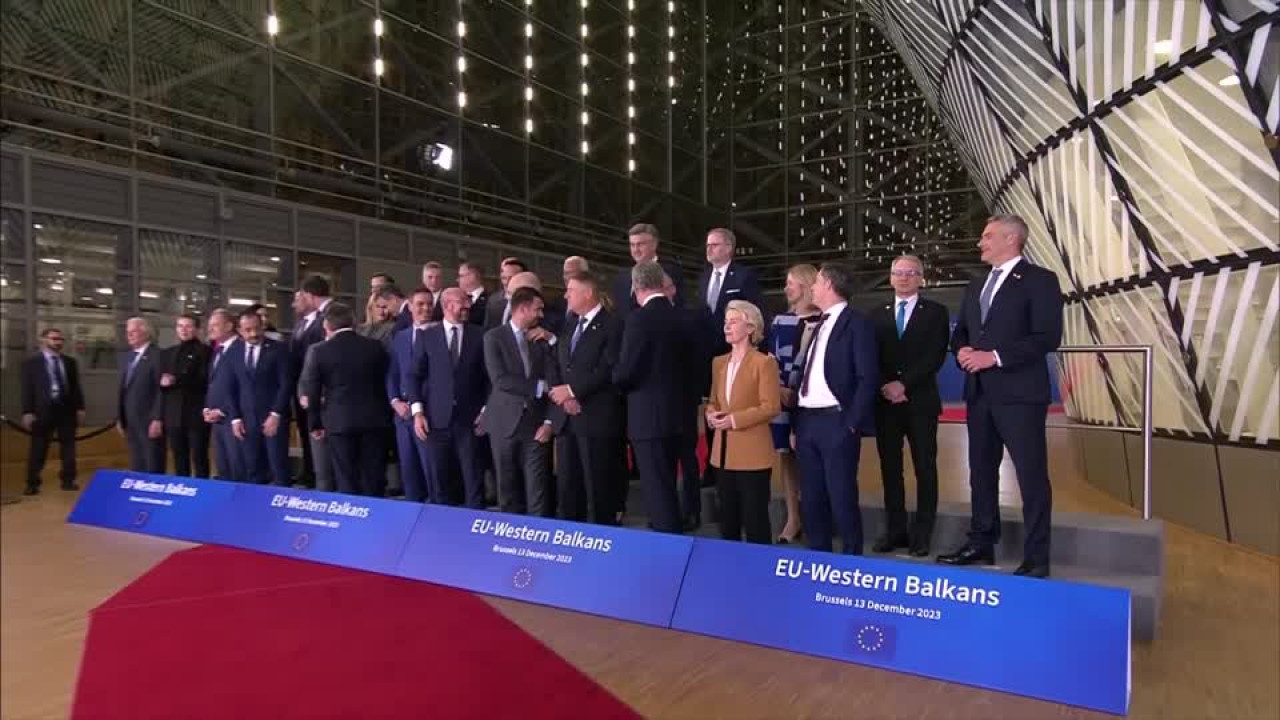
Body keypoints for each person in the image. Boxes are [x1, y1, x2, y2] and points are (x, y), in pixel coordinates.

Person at [939, 214, 1063, 578]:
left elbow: (1046, 337)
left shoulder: (1040, 281)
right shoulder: (975, 285)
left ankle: (1037, 558)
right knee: (980, 472)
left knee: (1031, 476)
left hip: (1021, 395)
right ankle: (981, 542)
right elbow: (961, 331)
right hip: (978, 394)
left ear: (1011, 239)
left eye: (987, 236)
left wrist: (991, 357)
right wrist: (961, 351)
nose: (981, 243)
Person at [793, 263, 878, 555]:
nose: (812, 288)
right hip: (807, 422)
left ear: (828, 284)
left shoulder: (857, 323)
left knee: (841, 495)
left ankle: (852, 560)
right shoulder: (819, 323)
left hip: (837, 422)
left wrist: (851, 423)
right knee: (812, 497)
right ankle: (818, 556)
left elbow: (868, 377)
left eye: (816, 282)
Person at [870, 255, 950, 557]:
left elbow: (935, 355)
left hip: (921, 402)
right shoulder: (876, 314)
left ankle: (922, 534)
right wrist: (886, 385)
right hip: (885, 404)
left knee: (925, 468)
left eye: (910, 273)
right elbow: (870, 356)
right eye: (898, 273)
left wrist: (904, 385)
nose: (903, 278)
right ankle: (895, 530)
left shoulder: (937, 312)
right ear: (890, 277)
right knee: (890, 469)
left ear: (921, 278)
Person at [613, 261, 685, 533]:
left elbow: (628, 369)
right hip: (678, 413)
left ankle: (667, 545)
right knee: (668, 480)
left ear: (637, 286)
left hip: (647, 416)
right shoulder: (683, 316)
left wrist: (615, 378)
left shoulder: (639, 319)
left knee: (656, 487)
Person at [547, 271, 625, 524]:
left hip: (595, 417)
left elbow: (609, 368)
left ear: (587, 293)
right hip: (567, 418)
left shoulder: (613, 324)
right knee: (569, 485)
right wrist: (562, 394)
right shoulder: (569, 322)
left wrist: (573, 391)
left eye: (570, 290)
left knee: (598, 486)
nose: (565, 295)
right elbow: (557, 360)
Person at [705, 300, 781, 544]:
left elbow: (771, 406)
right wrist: (710, 413)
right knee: (727, 520)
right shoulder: (718, 363)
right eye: (726, 322)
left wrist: (734, 420)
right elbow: (714, 400)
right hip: (722, 453)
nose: (727, 326)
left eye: (734, 321)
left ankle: (760, 573)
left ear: (750, 328)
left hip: (752, 455)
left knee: (755, 520)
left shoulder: (764, 362)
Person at [407, 288, 490, 507]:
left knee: (473, 479)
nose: (468, 306)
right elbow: (414, 376)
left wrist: (486, 411)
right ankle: (442, 529)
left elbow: (489, 379)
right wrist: (417, 413)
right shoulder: (427, 336)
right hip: (435, 421)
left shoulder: (480, 335)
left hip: (470, 421)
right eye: (463, 301)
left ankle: (474, 527)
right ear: (447, 305)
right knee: (439, 481)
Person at [483, 287, 556, 516]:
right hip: (504, 424)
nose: (541, 315)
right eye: (538, 309)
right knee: (508, 488)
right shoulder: (494, 337)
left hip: (535, 424)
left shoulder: (541, 338)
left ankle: (538, 538)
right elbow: (500, 379)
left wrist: (552, 340)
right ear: (522, 309)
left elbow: (557, 372)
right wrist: (540, 387)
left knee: (538, 489)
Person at [308, 303, 392, 497]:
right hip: (374, 420)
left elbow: (313, 390)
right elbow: (386, 380)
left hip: (339, 422)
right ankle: (375, 517)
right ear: (354, 322)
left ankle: (352, 520)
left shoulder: (321, 351)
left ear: (327, 325)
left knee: (346, 477)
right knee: (374, 476)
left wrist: (315, 424)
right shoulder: (374, 347)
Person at [767, 264, 820, 543]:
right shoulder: (779, 321)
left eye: (790, 283)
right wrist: (778, 388)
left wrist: (797, 391)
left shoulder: (824, 319)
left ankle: (815, 517)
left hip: (811, 402)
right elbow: (770, 359)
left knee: (810, 459)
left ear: (806, 285)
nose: (786, 288)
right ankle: (793, 517)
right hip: (782, 399)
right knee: (786, 456)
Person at [664, 272, 710, 531]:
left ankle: (692, 511)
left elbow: (700, 356)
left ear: (672, 288)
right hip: (658, 400)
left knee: (686, 455)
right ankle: (668, 511)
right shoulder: (646, 315)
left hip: (684, 397)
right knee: (664, 458)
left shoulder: (692, 315)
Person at [227, 310, 293, 486]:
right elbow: (231, 386)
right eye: (248, 330)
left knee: (279, 468)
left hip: (273, 419)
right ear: (239, 330)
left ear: (263, 327)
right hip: (246, 421)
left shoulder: (279, 349)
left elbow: (286, 384)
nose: (254, 334)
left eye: (257, 329)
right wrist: (235, 418)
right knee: (253, 470)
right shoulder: (234, 351)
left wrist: (276, 414)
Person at [21, 327, 85, 494]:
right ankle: (32, 483)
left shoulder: (70, 362)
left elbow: (76, 388)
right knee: (38, 448)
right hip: (43, 411)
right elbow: (27, 389)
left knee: (69, 449)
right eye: (54, 339)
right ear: (43, 340)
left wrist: (80, 408)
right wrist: (27, 411)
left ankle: (68, 481)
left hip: (66, 410)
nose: (58, 342)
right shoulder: (32, 363)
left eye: (60, 339)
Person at [387, 288, 435, 502]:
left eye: (429, 304)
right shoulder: (400, 337)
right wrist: (395, 400)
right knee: (408, 468)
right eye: (420, 304)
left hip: (428, 413)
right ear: (410, 306)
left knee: (431, 470)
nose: (425, 309)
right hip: (402, 414)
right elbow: (392, 372)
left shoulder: (440, 335)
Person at [290, 276, 333, 487]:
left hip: (319, 389)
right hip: (302, 387)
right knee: (307, 434)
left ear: (309, 295)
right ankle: (310, 472)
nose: (295, 303)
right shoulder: (300, 324)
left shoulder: (328, 315)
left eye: (300, 297)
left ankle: (322, 478)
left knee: (320, 437)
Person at [698, 228, 763, 358]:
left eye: (714, 245)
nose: (709, 249)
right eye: (707, 245)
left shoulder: (744, 275)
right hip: (704, 348)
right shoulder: (704, 277)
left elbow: (755, 311)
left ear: (728, 248)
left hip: (733, 348)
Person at [159, 314, 211, 478]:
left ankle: (203, 490)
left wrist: (176, 380)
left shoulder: (205, 352)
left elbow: (205, 380)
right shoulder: (168, 353)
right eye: (180, 326)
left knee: (199, 456)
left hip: (196, 414)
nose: (184, 330)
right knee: (178, 457)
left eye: (188, 326)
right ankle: (183, 489)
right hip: (173, 415)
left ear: (197, 330)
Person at [117, 317, 166, 473]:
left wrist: (158, 418)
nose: (129, 335)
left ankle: (153, 493)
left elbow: (162, 390)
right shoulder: (128, 357)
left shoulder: (158, 356)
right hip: (131, 419)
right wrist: (120, 416)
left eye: (134, 331)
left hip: (150, 419)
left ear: (146, 333)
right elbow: (124, 389)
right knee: (137, 460)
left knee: (153, 460)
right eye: (127, 332)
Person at [202, 309, 244, 482]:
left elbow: (242, 386)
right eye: (209, 325)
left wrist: (224, 410)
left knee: (238, 469)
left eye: (215, 325)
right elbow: (213, 383)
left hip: (234, 419)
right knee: (223, 468)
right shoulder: (217, 351)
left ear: (229, 326)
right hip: (216, 421)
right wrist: (207, 408)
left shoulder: (241, 349)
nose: (210, 329)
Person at [610, 224, 685, 318]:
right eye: (632, 245)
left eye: (640, 244)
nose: (635, 250)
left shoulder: (670, 271)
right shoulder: (622, 277)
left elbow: (678, 307)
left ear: (654, 244)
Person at [485, 257, 530, 330]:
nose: (506, 282)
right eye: (504, 278)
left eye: (511, 278)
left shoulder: (532, 302)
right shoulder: (493, 300)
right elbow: (487, 329)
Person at [456, 261, 490, 327]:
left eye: (461, 276)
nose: (457, 280)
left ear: (472, 276)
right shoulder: (457, 298)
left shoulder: (491, 300)